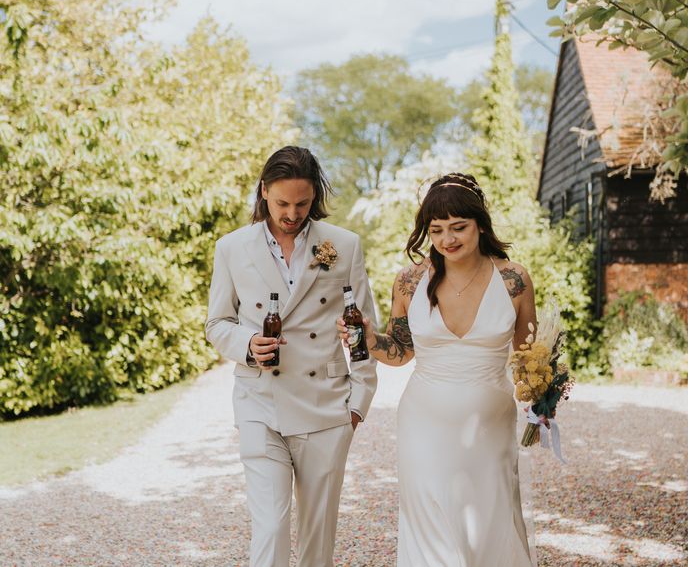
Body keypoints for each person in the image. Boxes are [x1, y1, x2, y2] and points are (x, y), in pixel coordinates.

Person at [337, 172, 535, 566]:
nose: (448, 239)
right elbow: (400, 351)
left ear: (480, 223)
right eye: (437, 229)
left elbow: (530, 356)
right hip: (423, 423)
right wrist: (367, 336)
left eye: (459, 227)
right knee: (430, 526)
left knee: (489, 521)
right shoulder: (410, 281)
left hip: (489, 427)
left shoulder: (514, 279)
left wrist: (543, 392)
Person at [206, 146, 378, 567]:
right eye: (282, 202)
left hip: (326, 408)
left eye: (302, 203)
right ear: (264, 191)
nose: (292, 213)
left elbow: (363, 329)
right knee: (270, 526)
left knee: (319, 534)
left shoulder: (343, 245)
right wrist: (247, 344)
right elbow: (217, 323)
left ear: (314, 196)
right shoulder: (231, 248)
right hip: (259, 402)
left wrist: (358, 404)